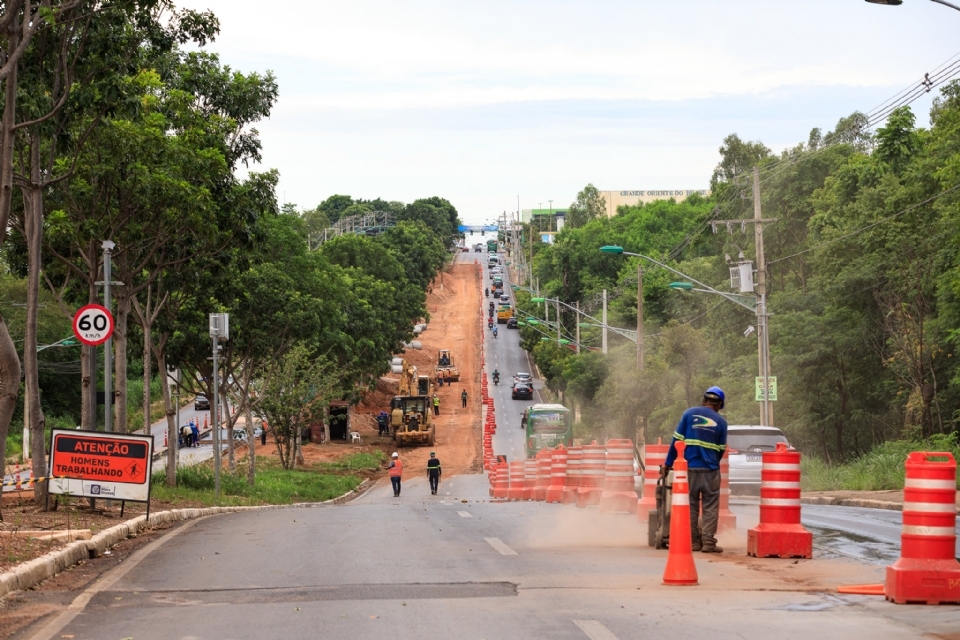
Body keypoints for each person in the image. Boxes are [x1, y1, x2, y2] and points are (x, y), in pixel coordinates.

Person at [662, 386, 728, 553]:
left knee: (690, 505)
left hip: (688, 469)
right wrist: (713, 463)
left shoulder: (689, 414)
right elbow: (721, 449)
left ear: (704, 400)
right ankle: (708, 543)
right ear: (720, 404)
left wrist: (668, 463)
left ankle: (693, 542)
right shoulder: (721, 422)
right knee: (710, 506)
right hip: (711, 471)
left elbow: (676, 442)